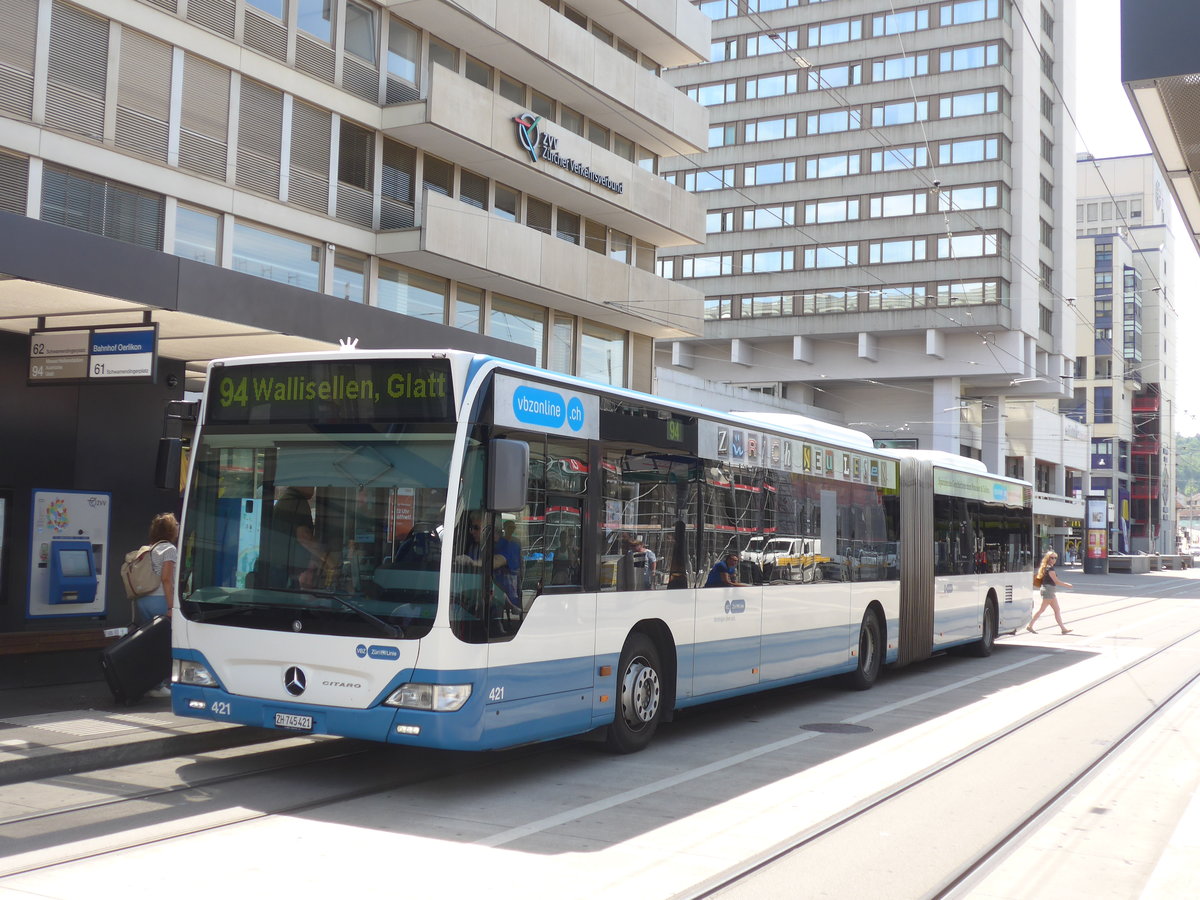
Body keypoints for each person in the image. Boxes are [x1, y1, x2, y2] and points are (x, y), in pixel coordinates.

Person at [139, 512, 179, 699]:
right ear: (171, 530)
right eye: (176, 525)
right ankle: (160, 684)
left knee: (150, 643)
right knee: (165, 643)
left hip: (144, 599)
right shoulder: (169, 549)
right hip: (159, 599)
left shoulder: (150, 548)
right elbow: (166, 579)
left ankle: (148, 682)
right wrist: (171, 606)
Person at [265, 486, 323, 588]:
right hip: (283, 570)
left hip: (281, 568)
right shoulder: (296, 502)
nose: (313, 489)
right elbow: (304, 538)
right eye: (310, 484)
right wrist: (328, 559)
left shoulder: (287, 500)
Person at [1029, 549, 1073, 634]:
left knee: (1057, 609)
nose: (1054, 559)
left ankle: (1063, 629)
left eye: (1055, 558)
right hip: (1048, 590)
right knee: (1042, 609)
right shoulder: (1050, 568)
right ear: (1048, 558)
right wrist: (1067, 585)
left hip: (1049, 590)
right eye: (1052, 558)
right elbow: (1056, 581)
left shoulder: (1045, 567)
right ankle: (1030, 625)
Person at [494, 520, 523, 610]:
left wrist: (521, 571)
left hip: (514, 574)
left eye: (513, 527)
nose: (511, 529)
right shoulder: (500, 542)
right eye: (509, 527)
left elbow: (520, 558)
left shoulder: (517, 542)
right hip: (502, 574)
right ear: (505, 528)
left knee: (515, 596)